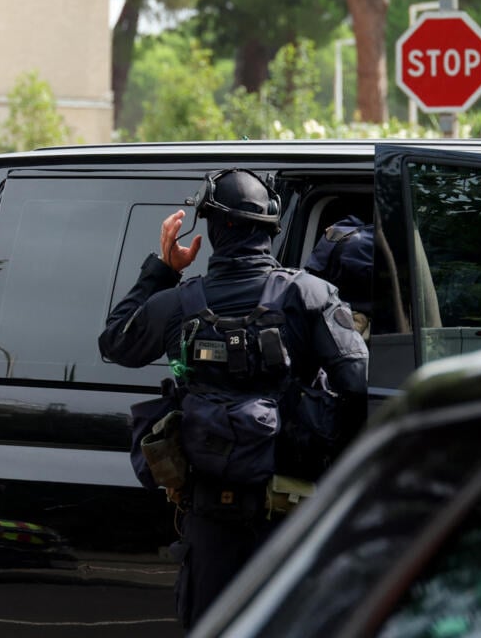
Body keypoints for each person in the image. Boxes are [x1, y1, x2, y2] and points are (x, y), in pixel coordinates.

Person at [97, 169, 368, 630]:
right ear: (270, 229)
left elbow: (114, 342)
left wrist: (163, 268)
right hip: (291, 517)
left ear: (212, 229)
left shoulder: (179, 303)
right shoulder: (308, 294)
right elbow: (359, 385)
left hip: (210, 523)